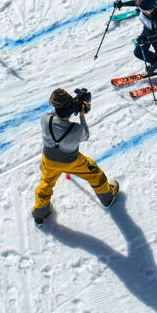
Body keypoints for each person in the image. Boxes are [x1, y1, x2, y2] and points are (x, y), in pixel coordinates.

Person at [32, 88, 120, 225]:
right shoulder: (76, 130)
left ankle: (40, 212)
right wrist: (81, 115)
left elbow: (56, 115)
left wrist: (70, 105)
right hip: (71, 162)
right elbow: (86, 135)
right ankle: (107, 197)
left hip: (49, 160)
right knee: (95, 174)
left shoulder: (45, 120)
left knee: (46, 183)